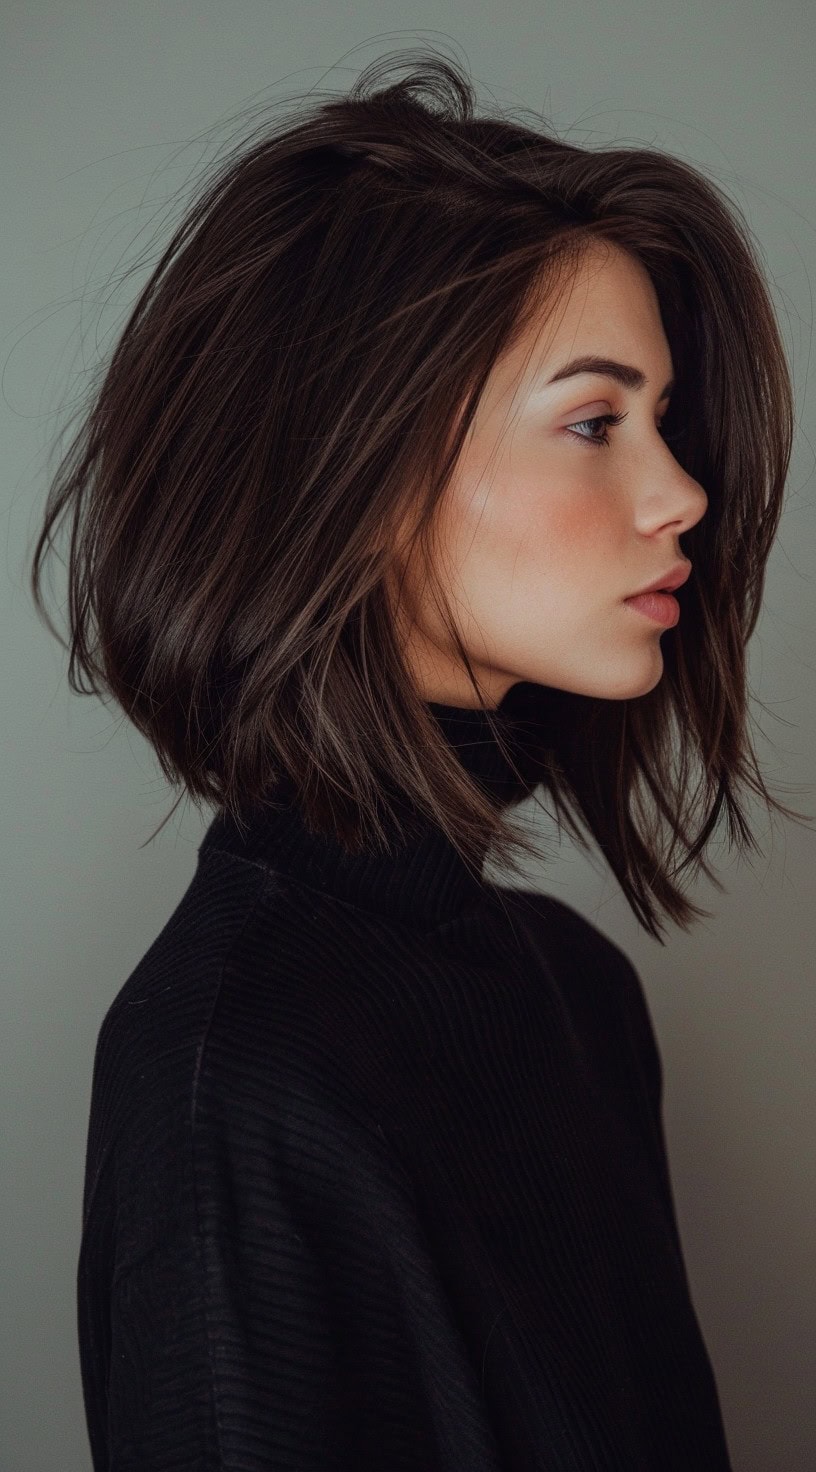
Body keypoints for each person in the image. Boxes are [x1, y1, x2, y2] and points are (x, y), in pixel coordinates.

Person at [30, 48, 812, 1472]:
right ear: (359, 465)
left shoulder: (582, 994)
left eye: (662, 418)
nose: (682, 490)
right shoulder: (229, 1068)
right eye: (594, 421)